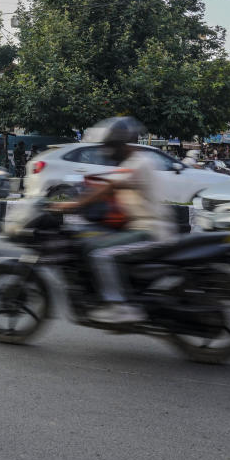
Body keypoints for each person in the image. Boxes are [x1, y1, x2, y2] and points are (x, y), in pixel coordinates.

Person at [52, 117, 176, 324]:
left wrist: (72, 205)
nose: (108, 152)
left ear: (120, 145)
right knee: (91, 239)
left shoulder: (138, 163)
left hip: (150, 232)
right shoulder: (134, 162)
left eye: (111, 147)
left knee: (101, 254)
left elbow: (109, 187)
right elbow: (106, 184)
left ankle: (119, 306)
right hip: (142, 227)